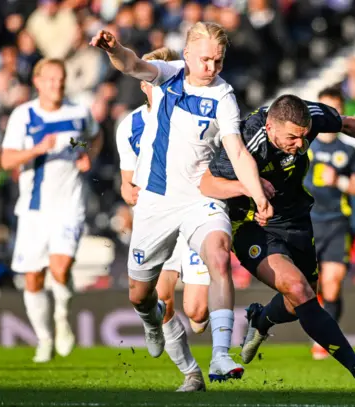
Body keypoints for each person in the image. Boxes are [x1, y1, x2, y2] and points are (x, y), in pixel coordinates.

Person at [200, 94, 355, 392]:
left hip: (296, 218)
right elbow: (207, 183)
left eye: (305, 136)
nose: (300, 145)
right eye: (292, 137)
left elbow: (347, 124)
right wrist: (250, 186)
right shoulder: (246, 140)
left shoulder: (308, 116)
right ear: (270, 127)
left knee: (299, 303)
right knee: (298, 289)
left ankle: (261, 319)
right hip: (252, 224)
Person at [89, 22, 273, 381]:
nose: (212, 68)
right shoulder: (167, 76)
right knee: (140, 297)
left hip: (199, 201)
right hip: (156, 203)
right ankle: (152, 321)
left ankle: (221, 355)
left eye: (218, 61)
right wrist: (113, 49)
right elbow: (131, 64)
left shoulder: (223, 97)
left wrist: (256, 192)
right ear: (187, 53)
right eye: (205, 59)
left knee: (218, 257)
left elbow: (236, 150)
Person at [115, 47, 209, 392]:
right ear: (144, 82)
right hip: (157, 214)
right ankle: (192, 373)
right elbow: (128, 182)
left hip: (195, 209)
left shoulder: (195, 112)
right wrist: (129, 193)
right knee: (160, 298)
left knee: (197, 314)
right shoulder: (130, 126)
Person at [0, 58, 103, 363]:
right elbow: (6, 161)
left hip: (69, 205)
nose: (56, 85)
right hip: (34, 210)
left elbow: (93, 138)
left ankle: (61, 317)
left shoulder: (79, 111)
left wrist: (88, 156)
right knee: (33, 278)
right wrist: (36, 149)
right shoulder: (24, 115)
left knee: (60, 268)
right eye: (50, 79)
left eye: (60, 79)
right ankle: (44, 339)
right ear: (37, 81)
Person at [304, 87, 355, 360]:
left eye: (334, 109)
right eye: (324, 108)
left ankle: (324, 341)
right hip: (305, 223)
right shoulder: (303, 142)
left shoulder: (350, 149)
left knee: (332, 282)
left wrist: (341, 181)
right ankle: (321, 323)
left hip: (336, 223)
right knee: (310, 287)